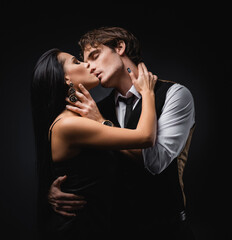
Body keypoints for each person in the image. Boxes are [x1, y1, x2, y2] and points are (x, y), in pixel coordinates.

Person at [48, 27, 196, 240]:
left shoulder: (175, 95)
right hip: (115, 229)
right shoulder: (94, 110)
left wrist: (102, 122)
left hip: (167, 229)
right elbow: (78, 166)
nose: (89, 66)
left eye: (95, 56)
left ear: (120, 47)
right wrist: (53, 192)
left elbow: (156, 161)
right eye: (84, 61)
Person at [31, 48, 157, 239]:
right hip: (76, 231)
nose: (87, 64)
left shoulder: (80, 118)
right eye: (76, 62)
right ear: (66, 79)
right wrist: (147, 92)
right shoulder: (69, 125)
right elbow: (146, 137)